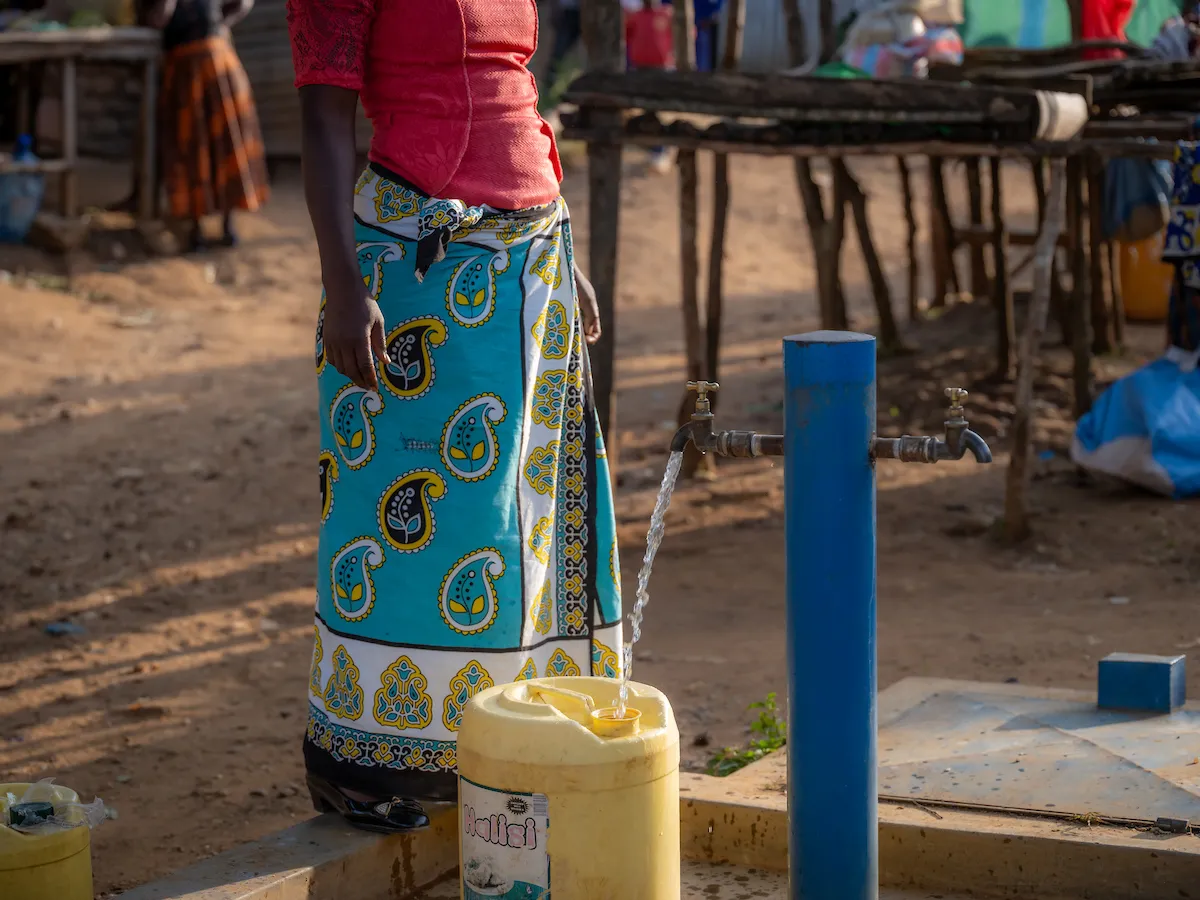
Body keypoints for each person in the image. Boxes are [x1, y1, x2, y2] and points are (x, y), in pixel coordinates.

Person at [287, 0, 623, 833]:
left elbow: (515, 91)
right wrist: (343, 289)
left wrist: (562, 241)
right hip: (420, 267)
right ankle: (365, 762)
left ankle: (511, 732)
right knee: (411, 515)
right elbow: (324, 120)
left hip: (529, 263)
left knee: (525, 520)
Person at [147, 0, 269, 249]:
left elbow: (244, 2)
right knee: (190, 144)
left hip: (217, 61)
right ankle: (195, 228)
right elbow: (157, 20)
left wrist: (221, 23)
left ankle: (227, 225)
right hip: (184, 68)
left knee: (227, 144)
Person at [625, 0, 676, 173]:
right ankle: (657, 149)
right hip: (640, 71)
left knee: (659, 111)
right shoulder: (636, 16)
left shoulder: (667, 14)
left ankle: (661, 151)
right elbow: (627, 36)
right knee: (647, 112)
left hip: (662, 72)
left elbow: (687, 34)